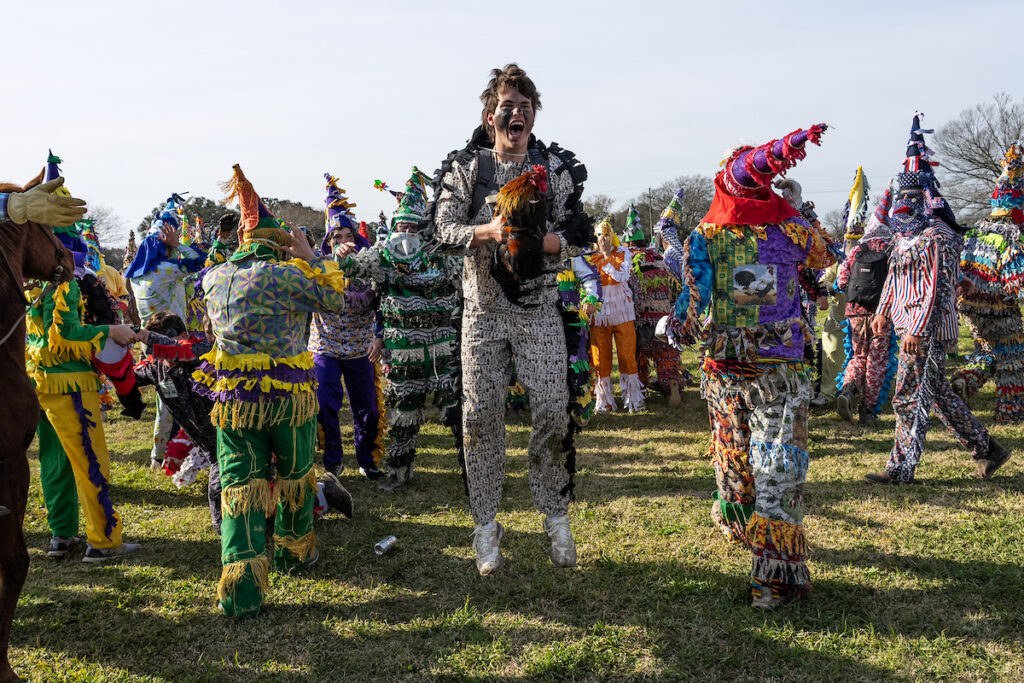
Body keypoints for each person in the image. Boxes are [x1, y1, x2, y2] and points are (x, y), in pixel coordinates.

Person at [432, 64, 592, 575]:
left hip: (538, 310)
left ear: (534, 115)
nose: (516, 112)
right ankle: (485, 525)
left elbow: (578, 235)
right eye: (507, 104)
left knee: (551, 407)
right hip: (482, 313)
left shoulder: (555, 170)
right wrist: (489, 231)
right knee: (478, 419)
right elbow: (442, 227)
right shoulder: (466, 168)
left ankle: (555, 513)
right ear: (489, 115)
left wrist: (545, 243)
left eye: (525, 105)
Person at [668, 123, 829, 608]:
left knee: (749, 469)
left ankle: (773, 577)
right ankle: (781, 569)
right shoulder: (792, 228)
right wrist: (797, 211)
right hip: (772, 371)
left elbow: (695, 306)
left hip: (732, 372)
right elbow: (824, 257)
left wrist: (677, 330)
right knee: (771, 470)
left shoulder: (706, 234)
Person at [195, 164, 348, 617]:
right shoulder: (287, 275)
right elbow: (334, 300)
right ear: (277, 243)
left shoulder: (213, 277)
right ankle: (294, 553)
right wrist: (310, 255)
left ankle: (240, 591)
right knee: (297, 473)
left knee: (240, 486)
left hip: (237, 404)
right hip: (289, 400)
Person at [865, 115, 1010, 484]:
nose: (904, 205)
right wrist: (883, 310)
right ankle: (988, 449)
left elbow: (939, 288)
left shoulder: (940, 237)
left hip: (927, 329)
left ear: (928, 199)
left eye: (912, 199)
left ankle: (900, 468)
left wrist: (917, 328)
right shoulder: (903, 237)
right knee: (938, 393)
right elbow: (895, 278)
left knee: (908, 397)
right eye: (902, 198)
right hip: (905, 323)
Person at [336, 168, 462, 491]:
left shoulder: (439, 257)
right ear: (394, 227)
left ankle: (473, 470)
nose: (407, 230)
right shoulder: (383, 257)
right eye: (402, 224)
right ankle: (398, 472)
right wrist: (343, 254)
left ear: (423, 228)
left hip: (443, 349)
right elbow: (352, 267)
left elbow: (467, 272)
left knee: (460, 410)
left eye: (413, 225)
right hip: (402, 353)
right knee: (404, 413)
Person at [310, 174, 385, 480]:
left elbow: (384, 302)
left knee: (367, 409)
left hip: (360, 349)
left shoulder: (371, 264)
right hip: (325, 347)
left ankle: (367, 459)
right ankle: (333, 460)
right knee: (326, 405)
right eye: (336, 236)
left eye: (346, 235)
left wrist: (379, 338)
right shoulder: (317, 265)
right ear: (329, 241)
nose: (342, 241)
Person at [124, 194, 205, 469]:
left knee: (165, 396)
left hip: (150, 342)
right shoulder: (166, 269)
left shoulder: (135, 274)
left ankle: (159, 455)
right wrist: (178, 243)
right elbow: (199, 261)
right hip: (172, 343)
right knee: (177, 401)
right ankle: (171, 455)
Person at [951, 142, 1024, 423]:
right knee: (1011, 355)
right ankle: (1010, 411)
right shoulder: (1013, 235)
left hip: (970, 305)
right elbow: (1015, 279)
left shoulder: (976, 231)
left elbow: (962, 265)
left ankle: (965, 380)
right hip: (999, 307)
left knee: (985, 350)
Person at [835, 176, 897, 425]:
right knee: (877, 360)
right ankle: (868, 411)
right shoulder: (893, 247)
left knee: (858, 356)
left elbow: (840, 281)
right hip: (882, 313)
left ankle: (848, 389)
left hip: (855, 312)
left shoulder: (857, 249)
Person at [627, 207, 688, 405]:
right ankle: (671, 383)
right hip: (663, 315)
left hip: (641, 317)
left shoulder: (629, 261)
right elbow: (673, 286)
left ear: (629, 243)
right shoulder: (660, 260)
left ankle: (641, 388)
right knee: (665, 353)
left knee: (639, 353)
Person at [586, 216, 644, 412]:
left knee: (627, 354)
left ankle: (633, 399)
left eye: (606, 234)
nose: (603, 238)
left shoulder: (623, 252)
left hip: (623, 312)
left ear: (613, 236)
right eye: (600, 235)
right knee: (600, 357)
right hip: (600, 314)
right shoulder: (590, 257)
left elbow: (622, 277)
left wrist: (607, 256)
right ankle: (604, 401)